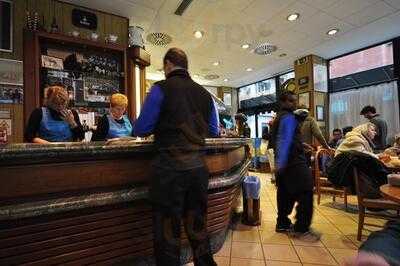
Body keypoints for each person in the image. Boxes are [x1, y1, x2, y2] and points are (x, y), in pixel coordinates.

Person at [133, 48, 218, 266]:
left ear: (169, 64)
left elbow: (142, 128)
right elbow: (215, 130)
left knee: (168, 235)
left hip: (169, 172)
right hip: (198, 170)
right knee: (198, 227)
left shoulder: (160, 88)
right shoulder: (206, 94)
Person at [269, 91, 320, 242]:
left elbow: (285, 139)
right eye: (291, 101)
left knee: (285, 192)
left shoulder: (281, 117)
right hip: (293, 162)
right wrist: (281, 162)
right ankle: (301, 228)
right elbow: (283, 141)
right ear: (283, 102)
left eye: (295, 101)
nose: (295, 104)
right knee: (306, 190)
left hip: (285, 163)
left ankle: (282, 223)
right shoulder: (288, 117)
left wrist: (300, 144)